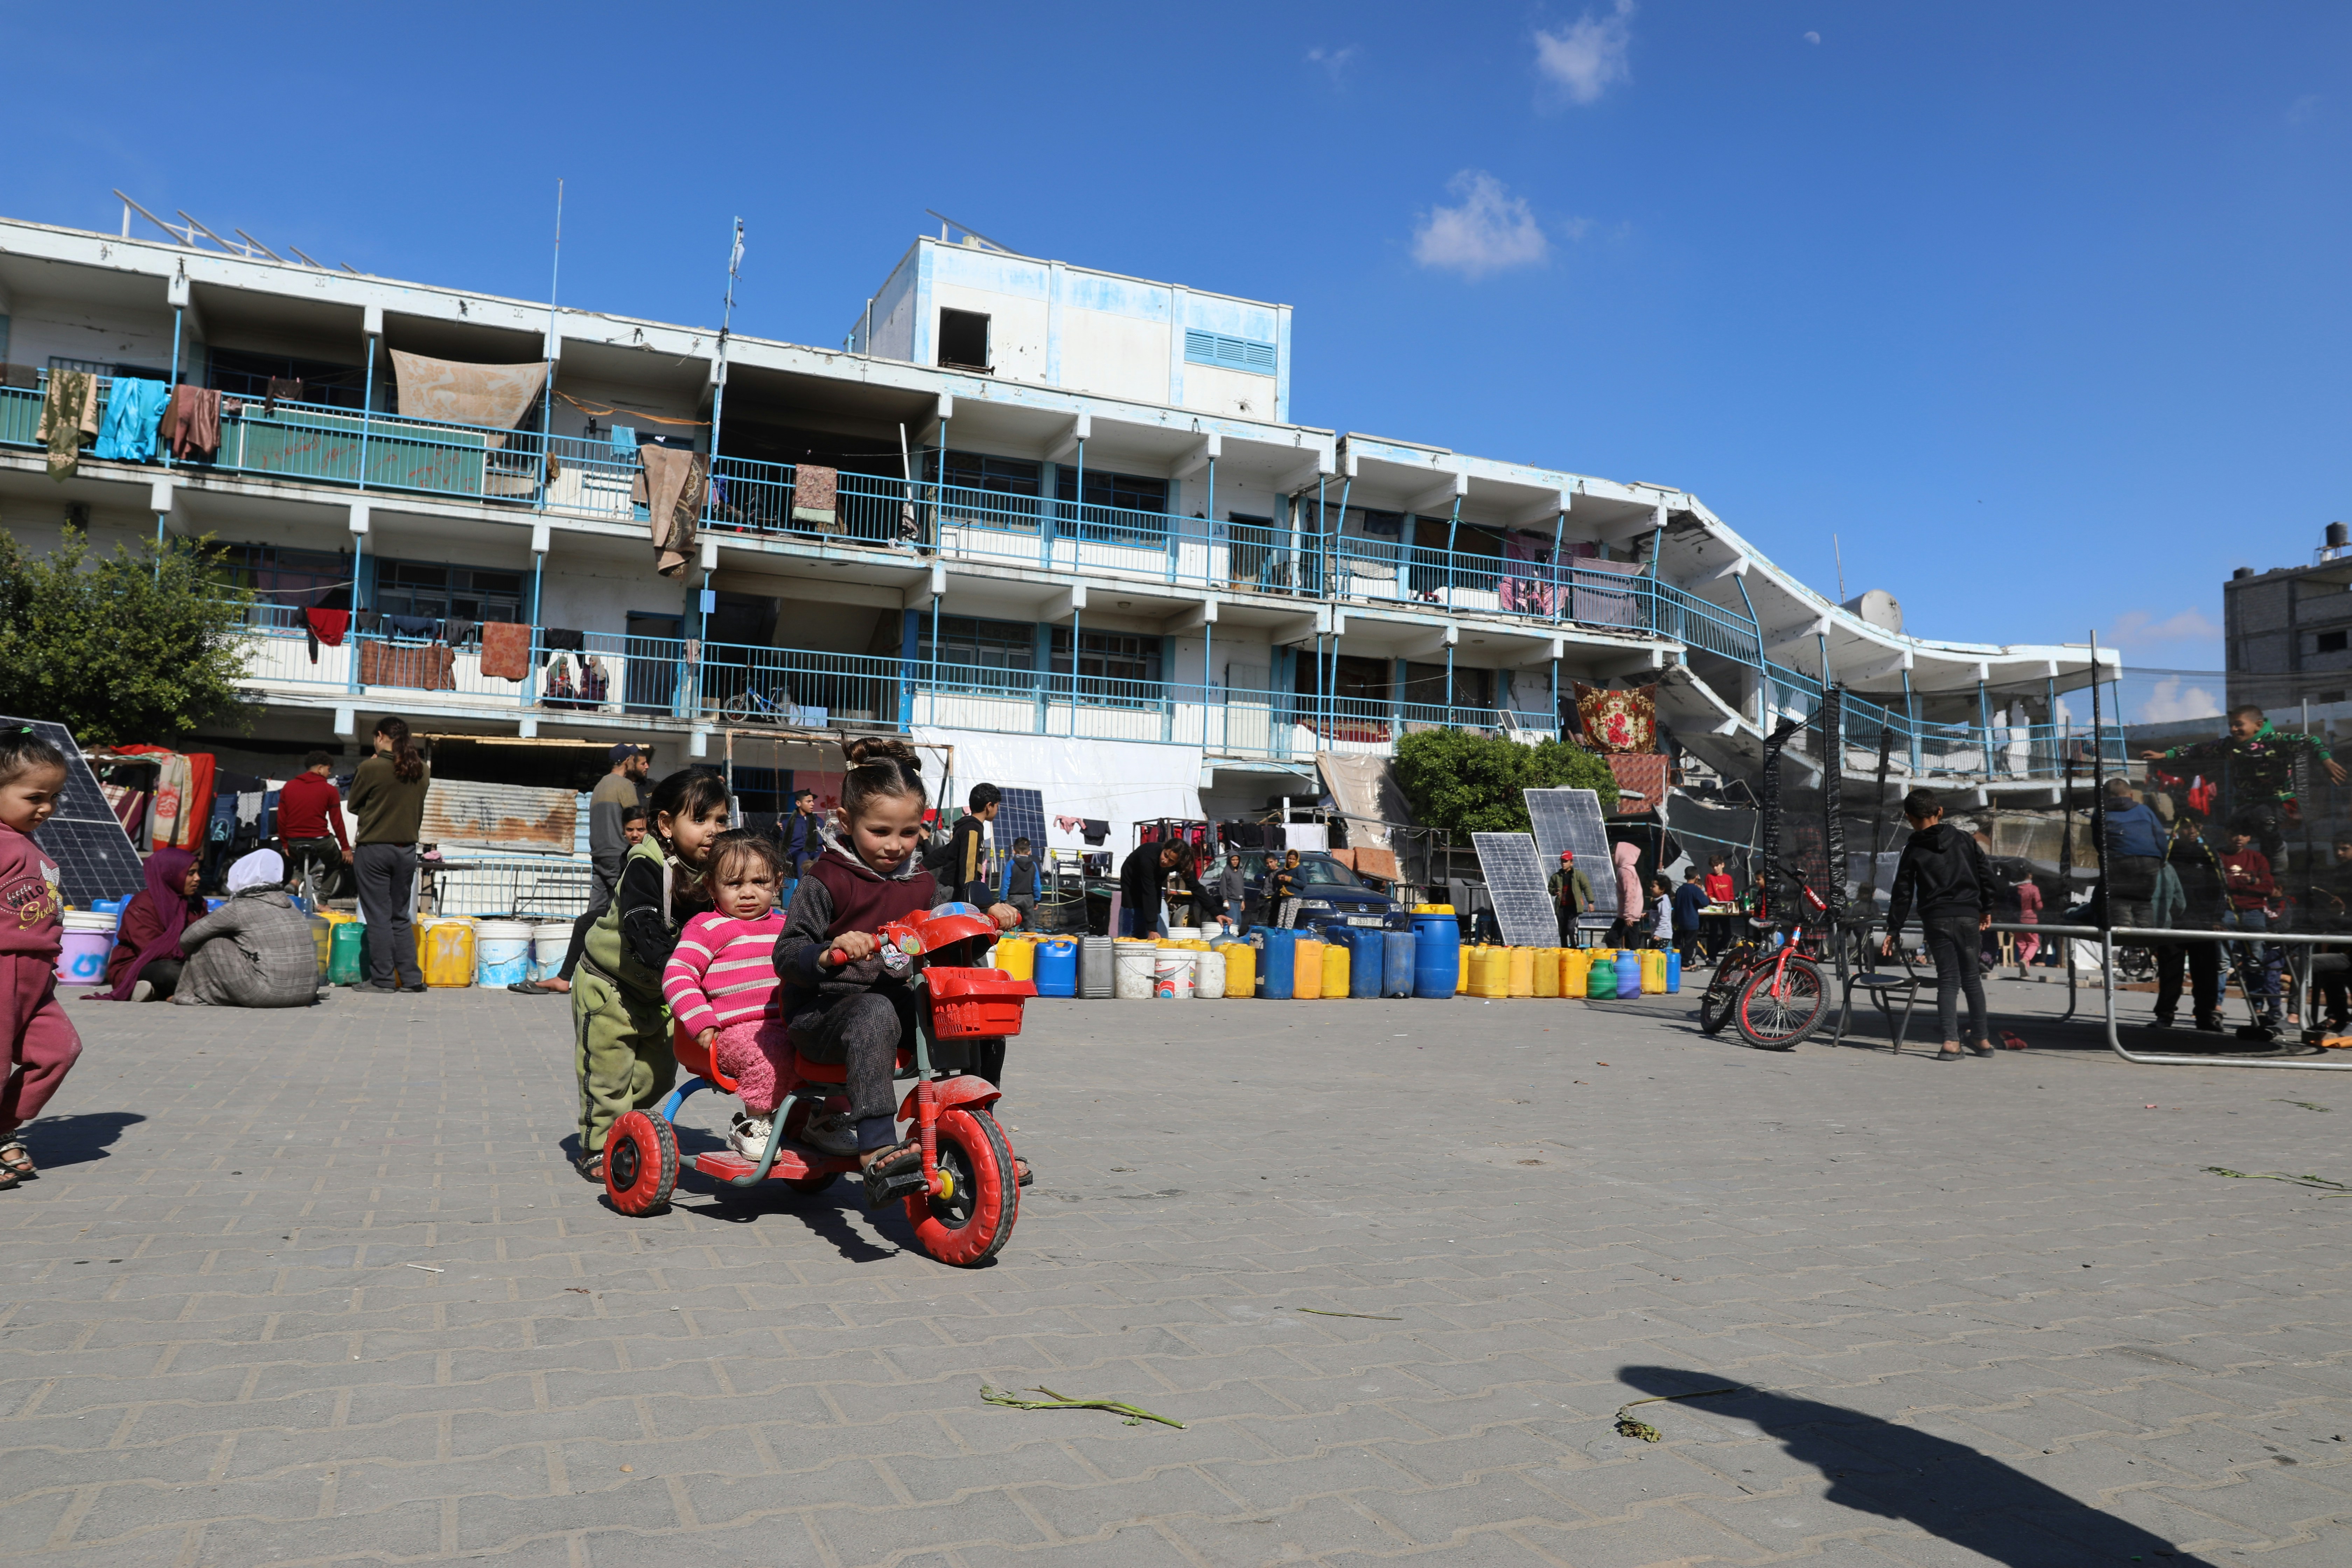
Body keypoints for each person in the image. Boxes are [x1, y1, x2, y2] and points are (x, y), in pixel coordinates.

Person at [772, 737, 1024, 1204]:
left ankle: (977, 1122)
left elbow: (943, 930)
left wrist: (987, 919)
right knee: (874, 1012)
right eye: (880, 831)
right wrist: (828, 953)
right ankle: (876, 1146)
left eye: (908, 833)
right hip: (822, 1014)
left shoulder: (920, 881)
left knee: (976, 1010)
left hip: (889, 1002)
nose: (894, 846)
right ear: (847, 823)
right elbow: (787, 955)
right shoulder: (825, 879)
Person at [570, 769, 726, 1182]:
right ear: (666, 825)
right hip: (608, 986)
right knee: (606, 1076)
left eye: (721, 821)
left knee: (659, 1075)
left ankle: (625, 1124)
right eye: (701, 820)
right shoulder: (647, 864)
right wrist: (680, 970)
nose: (713, 831)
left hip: (660, 994)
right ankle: (597, 1146)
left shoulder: (713, 872)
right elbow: (641, 923)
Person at [661, 832, 796, 1160]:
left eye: (759, 882)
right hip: (732, 1033)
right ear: (711, 887)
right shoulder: (707, 928)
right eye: (734, 884)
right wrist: (703, 1023)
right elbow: (678, 975)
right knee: (767, 1050)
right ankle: (753, 1124)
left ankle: (823, 1118)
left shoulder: (787, 925)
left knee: (832, 1045)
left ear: (777, 882)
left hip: (788, 1023)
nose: (748, 893)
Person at [0, 729, 80, 1191]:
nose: (47, 807)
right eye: (34, 797)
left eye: (54, 796)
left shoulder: (28, 844)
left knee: (58, 1051)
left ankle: (3, 1125)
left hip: (36, 977)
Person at [2143, 705, 2346, 869]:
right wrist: (2165, 755)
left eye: (2239, 725)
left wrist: (2326, 761)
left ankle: (2277, 854)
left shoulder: (2275, 742)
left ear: (2258, 725)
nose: (2233, 730)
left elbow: (2311, 740)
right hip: (2247, 803)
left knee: (2263, 818)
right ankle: (2233, 868)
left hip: (2280, 801)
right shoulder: (2230, 745)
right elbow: (2197, 749)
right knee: (2233, 827)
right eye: (2231, 725)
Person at [1882, 787, 1994, 1061]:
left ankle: (1950, 1043)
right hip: (1968, 916)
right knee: (1972, 979)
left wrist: (1893, 928)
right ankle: (1981, 1038)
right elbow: (1986, 875)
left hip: (1936, 919)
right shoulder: (1966, 840)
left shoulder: (1913, 849)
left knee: (1948, 980)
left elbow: (1903, 892)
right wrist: (1986, 908)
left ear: (1909, 817)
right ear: (1940, 812)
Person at [518, 805, 647, 997]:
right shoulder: (626, 854)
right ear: (623, 830)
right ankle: (568, 978)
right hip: (622, 910)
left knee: (587, 924)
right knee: (587, 923)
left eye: (641, 829)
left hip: (640, 913)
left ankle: (565, 978)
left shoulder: (646, 854)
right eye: (630, 830)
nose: (635, 834)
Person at [170, 849, 319, 1008]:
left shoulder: (239, 908)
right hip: (307, 993)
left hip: (268, 994)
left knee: (211, 942)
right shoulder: (291, 906)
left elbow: (188, 938)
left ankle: (189, 993)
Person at [350, 716, 430, 993]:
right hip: (406, 851)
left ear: (380, 736)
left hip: (374, 849)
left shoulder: (370, 767)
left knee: (378, 917)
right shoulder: (422, 770)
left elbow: (354, 805)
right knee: (400, 916)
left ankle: (382, 980)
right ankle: (412, 979)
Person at [93, 846, 204, 1001]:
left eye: (198, 873)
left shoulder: (196, 903)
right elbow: (153, 949)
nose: (198, 878)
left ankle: (160, 993)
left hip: (186, 962)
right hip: (140, 965)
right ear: (169, 874)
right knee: (170, 971)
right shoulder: (142, 905)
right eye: (191, 874)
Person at [2152, 818, 2227, 1032]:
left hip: (2203, 922)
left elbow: (2221, 887)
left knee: (2206, 972)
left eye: (2196, 826)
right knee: (2170, 971)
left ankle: (2205, 1016)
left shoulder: (2208, 853)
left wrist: (2217, 918)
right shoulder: (2168, 853)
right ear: (2178, 830)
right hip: (2173, 922)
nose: (2192, 831)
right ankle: (2165, 1015)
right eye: (2186, 827)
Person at [2219, 827, 2283, 1028]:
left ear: (2249, 836)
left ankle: (2257, 1009)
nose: (2239, 837)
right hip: (2227, 913)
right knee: (2222, 963)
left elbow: (2268, 888)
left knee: (2255, 962)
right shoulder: (2219, 856)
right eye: (2234, 833)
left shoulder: (2258, 858)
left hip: (2255, 915)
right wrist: (2249, 882)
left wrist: (2247, 883)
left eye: (2243, 834)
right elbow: (2219, 882)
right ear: (2227, 835)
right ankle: (2217, 1008)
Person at [276, 750, 351, 899]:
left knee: (305, 858)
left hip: (294, 841)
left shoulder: (289, 787)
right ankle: (323, 900)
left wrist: (285, 844)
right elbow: (337, 822)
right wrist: (345, 848)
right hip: (320, 840)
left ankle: (295, 881)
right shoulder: (329, 790)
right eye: (329, 769)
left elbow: (281, 819)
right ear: (320, 769)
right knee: (335, 863)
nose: (330, 774)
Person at [2096, 777, 2166, 936]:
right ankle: (2145, 937)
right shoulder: (2144, 810)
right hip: (2150, 861)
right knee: (2143, 901)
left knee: (2118, 898)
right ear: (2131, 796)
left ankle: (2124, 934)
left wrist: (2104, 859)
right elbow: (2160, 836)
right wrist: (2162, 858)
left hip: (2119, 860)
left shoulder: (2101, 813)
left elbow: (2098, 841)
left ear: (2105, 797)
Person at [941, 783, 999, 908]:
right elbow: (969, 870)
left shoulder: (965, 827)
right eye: (997, 806)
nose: (997, 810)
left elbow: (944, 853)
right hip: (957, 895)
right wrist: (971, 903)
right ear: (989, 806)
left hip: (952, 890)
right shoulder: (973, 829)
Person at [1122, 838, 1187, 936]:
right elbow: (1149, 891)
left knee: (1154, 913)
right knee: (1137, 921)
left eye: (1171, 861)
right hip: (1132, 884)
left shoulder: (1177, 862)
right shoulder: (1148, 856)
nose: (1166, 861)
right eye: (1165, 856)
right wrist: (1152, 929)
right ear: (1164, 849)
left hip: (1154, 884)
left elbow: (1195, 886)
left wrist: (1215, 911)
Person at [769, 786, 828, 878]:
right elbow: (775, 841)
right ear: (798, 803)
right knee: (803, 856)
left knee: (822, 856)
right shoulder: (787, 823)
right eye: (809, 802)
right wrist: (776, 832)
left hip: (816, 852)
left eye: (812, 801)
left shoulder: (819, 821)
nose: (812, 804)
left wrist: (829, 831)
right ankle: (803, 888)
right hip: (796, 854)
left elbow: (827, 841)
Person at [1548, 850, 1594, 947]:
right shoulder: (1556, 877)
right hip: (1561, 908)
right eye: (1562, 861)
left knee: (1571, 929)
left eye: (1566, 861)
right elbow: (1550, 888)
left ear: (1571, 863)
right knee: (1563, 931)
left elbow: (1587, 887)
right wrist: (1554, 891)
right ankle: (1565, 950)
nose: (1564, 864)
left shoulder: (1578, 875)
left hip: (1574, 907)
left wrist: (1590, 902)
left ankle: (1574, 947)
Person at [1671, 868, 1709, 968]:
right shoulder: (1696, 890)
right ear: (1697, 877)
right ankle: (1686, 964)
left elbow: (1677, 905)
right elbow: (1705, 903)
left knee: (1680, 943)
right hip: (1692, 921)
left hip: (1680, 920)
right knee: (1690, 944)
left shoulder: (1680, 889)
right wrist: (1705, 895)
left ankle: (1689, 962)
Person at [999, 836, 1041, 929]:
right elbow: (1037, 884)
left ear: (1014, 851)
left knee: (1013, 922)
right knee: (1030, 923)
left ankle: (1013, 940)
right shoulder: (1034, 865)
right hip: (1029, 898)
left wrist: (1003, 899)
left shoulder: (1011, 864)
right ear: (1029, 852)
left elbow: (1006, 882)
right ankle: (1031, 940)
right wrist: (1037, 899)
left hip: (1013, 897)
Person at [1609, 842, 1645, 947]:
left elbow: (1630, 893)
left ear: (1622, 854)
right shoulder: (1629, 870)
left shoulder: (1625, 871)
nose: (1612, 855)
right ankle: (1634, 963)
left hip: (1627, 916)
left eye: (1614, 852)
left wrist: (1628, 915)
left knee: (1611, 939)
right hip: (1631, 914)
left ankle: (1618, 961)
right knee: (1632, 944)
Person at [1701, 856, 1737, 959]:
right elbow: (1710, 893)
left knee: (1727, 935)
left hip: (1726, 910)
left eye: (1717, 866)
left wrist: (1731, 904)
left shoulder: (1728, 878)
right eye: (1713, 867)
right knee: (1714, 934)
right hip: (1715, 910)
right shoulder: (1710, 877)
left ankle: (1713, 952)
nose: (1715, 869)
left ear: (1723, 865)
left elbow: (1731, 894)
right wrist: (1716, 903)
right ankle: (1712, 957)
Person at [1263, 847, 1304, 930]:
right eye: (1290, 859)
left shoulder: (1300, 869)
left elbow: (1303, 883)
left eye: (1294, 859)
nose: (1291, 861)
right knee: (1281, 920)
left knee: (1289, 921)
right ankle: (1279, 937)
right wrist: (1282, 880)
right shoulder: (1286, 869)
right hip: (1285, 896)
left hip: (1295, 897)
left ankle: (1286, 938)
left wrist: (1289, 879)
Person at [1648, 876, 1674, 950]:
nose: (1651, 888)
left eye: (1654, 886)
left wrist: (1658, 934)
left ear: (1662, 889)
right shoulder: (1658, 900)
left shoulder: (1664, 901)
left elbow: (1665, 919)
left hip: (1662, 936)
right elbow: (1657, 914)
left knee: (1657, 956)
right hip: (1657, 934)